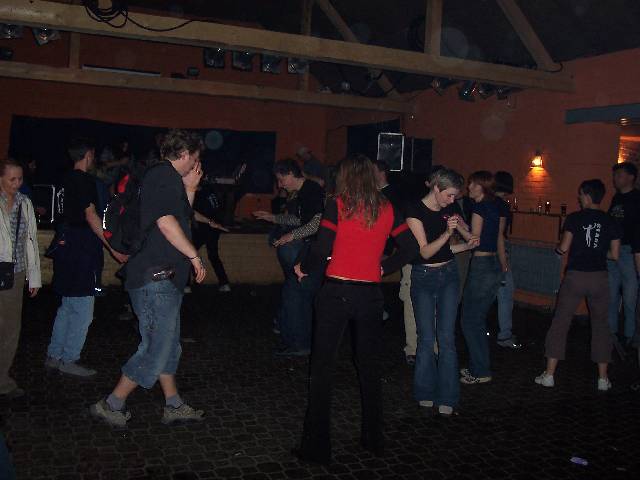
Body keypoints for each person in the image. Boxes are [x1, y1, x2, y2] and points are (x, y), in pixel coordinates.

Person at [293, 154, 418, 464]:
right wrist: (383, 267)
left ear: (345, 176)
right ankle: (374, 440)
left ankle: (317, 448)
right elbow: (411, 248)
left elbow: (322, 248)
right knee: (369, 368)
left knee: (323, 369)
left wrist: (304, 268)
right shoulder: (387, 208)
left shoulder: (337, 204)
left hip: (337, 292)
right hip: (369, 295)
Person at [90, 129, 207, 427]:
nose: (197, 164)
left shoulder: (167, 180)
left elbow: (180, 221)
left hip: (163, 278)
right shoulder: (163, 175)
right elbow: (166, 224)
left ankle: (173, 403)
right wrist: (194, 256)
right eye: (195, 158)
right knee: (156, 347)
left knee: (168, 345)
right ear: (184, 154)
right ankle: (111, 404)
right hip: (156, 278)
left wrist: (190, 189)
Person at [45, 138, 127, 377]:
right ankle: (69, 358)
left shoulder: (63, 180)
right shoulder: (84, 180)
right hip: (81, 248)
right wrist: (112, 248)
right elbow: (91, 216)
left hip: (64, 244)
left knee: (68, 305)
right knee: (82, 308)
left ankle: (54, 355)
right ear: (89, 155)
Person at [405, 168, 478, 416]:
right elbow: (425, 252)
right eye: (449, 195)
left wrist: (469, 240)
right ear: (436, 188)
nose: (452, 200)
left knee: (446, 339)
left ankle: (448, 396)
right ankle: (425, 392)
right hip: (423, 276)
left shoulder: (450, 207)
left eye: (455, 196)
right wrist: (448, 233)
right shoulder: (415, 210)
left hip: (448, 275)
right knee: (426, 339)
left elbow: (456, 243)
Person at [535, 179, 620, 390]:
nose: (579, 198)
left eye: (581, 194)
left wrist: (558, 249)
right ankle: (603, 379)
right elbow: (615, 255)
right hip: (599, 277)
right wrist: (597, 252)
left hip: (575, 277)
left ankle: (549, 375)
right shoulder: (611, 221)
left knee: (561, 322)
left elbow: (564, 247)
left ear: (588, 196)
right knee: (601, 325)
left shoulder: (574, 218)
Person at [253, 159, 325, 356]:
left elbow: (317, 222)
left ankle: (299, 344)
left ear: (291, 174)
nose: (280, 185)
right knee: (296, 296)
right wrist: (273, 217)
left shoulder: (312, 190)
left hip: (312, 252)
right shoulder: (303, 192)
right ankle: (298, 342)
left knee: (295, 297)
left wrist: (291, 236)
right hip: (308, 251)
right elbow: (300, 220)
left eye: (281, 179)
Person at [459, 171, 507, 385]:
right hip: (493, 263)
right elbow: (495, 237)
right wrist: (503, 265)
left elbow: (474, 241)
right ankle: (477, 366)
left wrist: (458, 226)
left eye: (472, 184)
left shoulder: (479, 207)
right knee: (476, 318)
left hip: (482, 266)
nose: (469, 187)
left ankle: (480, 371)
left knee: (470, 320)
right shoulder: (494, 206)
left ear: (482, 187)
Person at [0, 158, 41, 399]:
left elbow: (30, 241)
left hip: (14, 273)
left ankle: (2, 379)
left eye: (20, 179)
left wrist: (34, 277)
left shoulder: (25, 203)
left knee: (10, 329)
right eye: (11, 179)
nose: (16, 184)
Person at [607, 162, 640, 344]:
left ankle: (629, 335)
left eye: (619, 175)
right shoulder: (616, 198)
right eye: (615, 175)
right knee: (611, 294)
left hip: (629, 251)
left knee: (629, 297)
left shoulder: (637, 198)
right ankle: (611, 333)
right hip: (613, 250)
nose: (615, 178)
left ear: (631, 177)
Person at [493, 171, 521, 349]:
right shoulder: (501, 205)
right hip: (499, 252)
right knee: (505, 293)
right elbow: (499, 235)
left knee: (488, 294)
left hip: (486, 252)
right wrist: (504, 261)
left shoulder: (485, 202)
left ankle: (478, 329)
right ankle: (504, 335)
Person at [192, 183, 231, 292]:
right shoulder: (209, 190)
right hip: (213, 227)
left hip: (204, 227)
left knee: (190, 254)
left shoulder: (199, 193)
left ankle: (191, 283)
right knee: (212, 256)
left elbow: (192, 212)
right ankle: (224, 283)